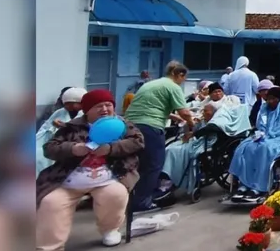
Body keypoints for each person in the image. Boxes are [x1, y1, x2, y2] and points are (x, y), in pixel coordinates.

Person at [35, 90, 145, 249]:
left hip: (109, 177)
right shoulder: (72, 126)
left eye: (108, 105)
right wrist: (73, 149)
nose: (105, 110)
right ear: (87, 110)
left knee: (116, 194)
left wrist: (111, 148)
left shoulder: (122, 124)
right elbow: (49, 148)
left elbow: (138, 142)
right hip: (68, 179)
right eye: (99, 106)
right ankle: (50, 245)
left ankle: (110, 230)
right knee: (51, 203)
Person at [123, 61, 194, 214]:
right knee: (153, 165)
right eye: (184, 78)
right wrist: (191, 123)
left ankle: (129, 198)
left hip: (129, 126)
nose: (183, 82)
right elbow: (186, 112)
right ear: (179, 75)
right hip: (150, 127)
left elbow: (151, 106)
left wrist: (173, 116)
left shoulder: (151, 84)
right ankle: (142, 203)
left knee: (137, 163)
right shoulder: (173, 86)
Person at [159, 97, 250, 198]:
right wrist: (194, 124)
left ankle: (169, 181)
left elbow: (213, 127)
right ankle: (167, 178)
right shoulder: (204, 120)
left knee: (175, 151)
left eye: (206, 111)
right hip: (197, 141)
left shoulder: (219, 119)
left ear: (213, 112)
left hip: (208, 142)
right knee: (170, 148)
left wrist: (194, 133)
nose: (203, 112)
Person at [228, 87, 280, 203]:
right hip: (264, 135)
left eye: (274, 99)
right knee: (246, 147)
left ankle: (259, 186)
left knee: (264, 149)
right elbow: (260, 125)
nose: (270, 101)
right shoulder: (264, 108)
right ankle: (244, 184)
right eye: (269, 99)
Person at [36, 87, 87, 175]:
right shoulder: (59, 112)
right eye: (65, 104)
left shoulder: (87, 113)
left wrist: (65, 126)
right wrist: (52, 127)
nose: (66, 106)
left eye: (70, 104)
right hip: (54, 144)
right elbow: (44, 129)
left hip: (75, 147)